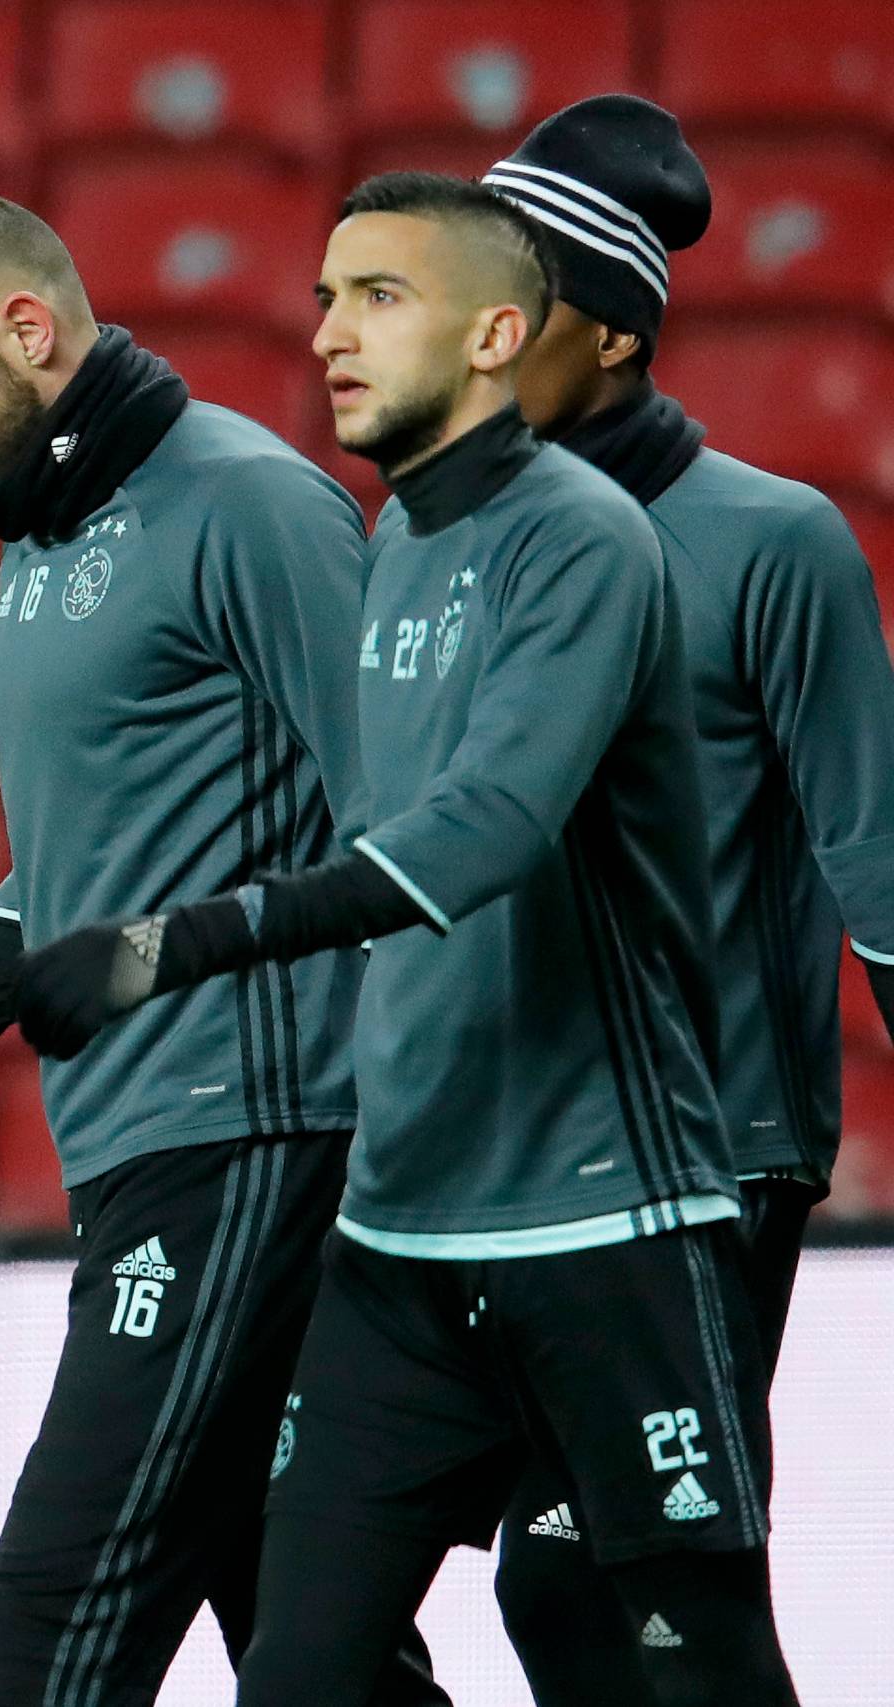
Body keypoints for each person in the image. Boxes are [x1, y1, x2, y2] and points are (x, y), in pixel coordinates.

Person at [15, 171, 797, 1707]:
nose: (328, 335)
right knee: (307, 1677)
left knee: (691, 1664)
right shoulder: (390, 550)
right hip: (401, 1235)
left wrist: (182, 942)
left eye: (379, 297)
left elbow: (482, 834)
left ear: (501, 333)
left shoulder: (583, 539)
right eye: (321, 298)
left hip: (605, 1222)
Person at [0, 188, 442, 1707]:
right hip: (163, 1154)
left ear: (27, 332)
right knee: (319, 1658)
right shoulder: (41, 536)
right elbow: (64, 882)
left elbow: (412, 835)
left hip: (252, 1147)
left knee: (45, 1631)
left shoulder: (249, 504)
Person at [481, 94, 894, 1702]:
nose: (473, 329)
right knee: (564, 1587)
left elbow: (880, 864)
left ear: (611, 333)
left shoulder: (776, 543)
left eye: (512, 300)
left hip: (711, 1153)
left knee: (630, 1586)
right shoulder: (453, 541)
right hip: (508, 1159)